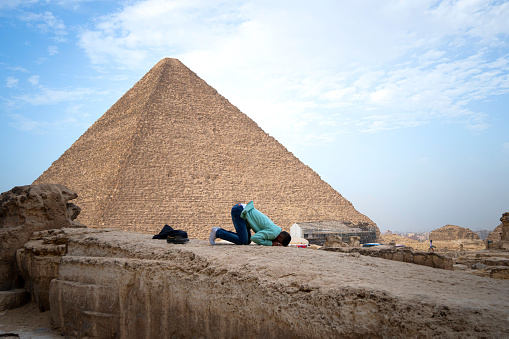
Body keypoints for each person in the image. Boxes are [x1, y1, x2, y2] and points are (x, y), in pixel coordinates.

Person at [209, 201, 291, 246]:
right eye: (279, 242)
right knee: (243, 241)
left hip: (243, 212)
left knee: (246, 241)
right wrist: (272, 243)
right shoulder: (273, 233)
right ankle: (218, 232)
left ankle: (219, 231)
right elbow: (255, 238)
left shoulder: (275, 230)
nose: (278, 242)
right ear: (280, 236)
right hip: (240, 211)